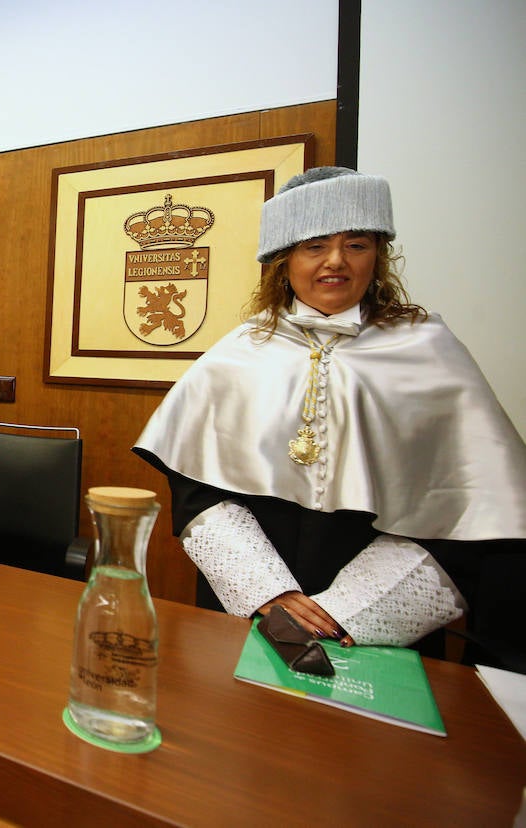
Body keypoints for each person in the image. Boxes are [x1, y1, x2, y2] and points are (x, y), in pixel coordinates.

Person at [134, 167, 526, 653]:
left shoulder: (429, 348)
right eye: (314, 245)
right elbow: (196, 491)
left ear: (378, 256)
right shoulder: (238, 352)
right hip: (258, 605)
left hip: (376, 617)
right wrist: (268, 593)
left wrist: (347, 610)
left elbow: (473, 505)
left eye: (356, 244)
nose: (335, 262)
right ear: (284, 260)